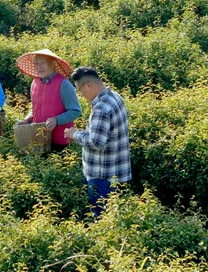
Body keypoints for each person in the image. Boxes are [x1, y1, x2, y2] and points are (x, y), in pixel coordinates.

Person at [63, 67, 130, 219]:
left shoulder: (100, 108)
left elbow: (96, 142)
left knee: (101, 218)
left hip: (101, 176)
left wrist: (75, 135)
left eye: (79, 90)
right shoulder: (115, 97)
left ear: (88, 85)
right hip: (117, 171)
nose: (81, 95)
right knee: (114, 216)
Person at [15, 49, 81, 152]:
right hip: (40, 139)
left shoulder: (63, 84)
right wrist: (27, 120)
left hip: (61, 142)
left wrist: (56, 120)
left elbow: (75, 111)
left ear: (52, 64)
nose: (39, 67)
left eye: (43, 63)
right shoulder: (34, 83)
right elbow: (35, 109)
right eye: (36, 64)